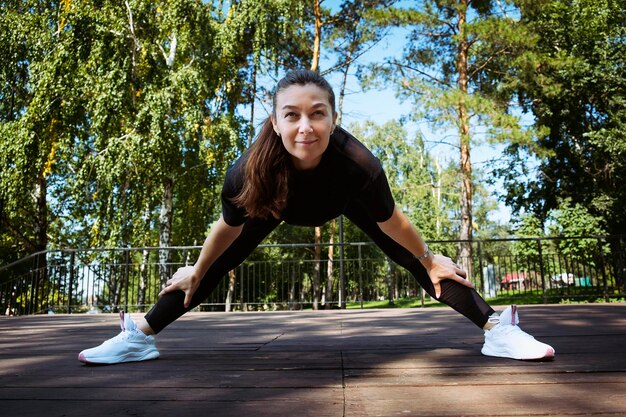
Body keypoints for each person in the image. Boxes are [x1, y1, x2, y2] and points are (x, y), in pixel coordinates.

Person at [78, 70, 554, 365]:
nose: (305, 126)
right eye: (292, 115)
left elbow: (392, 222)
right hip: (277, 202)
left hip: (342, 200)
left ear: (333, 116)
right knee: (214, 267)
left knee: (417, 261)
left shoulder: (358, 165)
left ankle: (497, 330)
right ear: (275, 121)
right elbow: (227, 228)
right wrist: (199, 270)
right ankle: (139, 337)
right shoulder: (249, 171)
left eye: (317, 114)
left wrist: (429, 257)